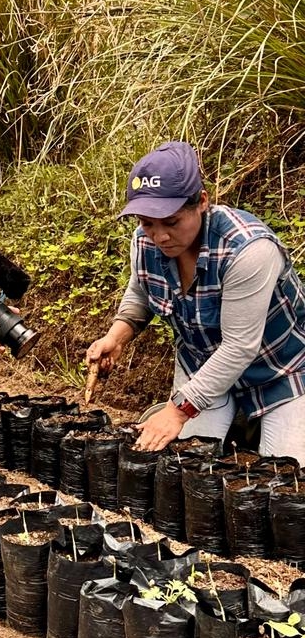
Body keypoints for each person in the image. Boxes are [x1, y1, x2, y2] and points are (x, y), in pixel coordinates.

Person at [85, 141, 305, 459]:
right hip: (203, 368)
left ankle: (254, 423)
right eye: (147, 223)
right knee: (185, 461)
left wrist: (177, 411)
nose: (159, 236)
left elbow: (240, 346)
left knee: (286, 476)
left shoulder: (248, 250)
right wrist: (116, 336)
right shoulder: (144, 242)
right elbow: (140, 292)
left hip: (280, 371)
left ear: (201, 201)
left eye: (171, 222)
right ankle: (234, 422)